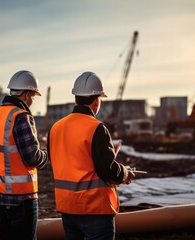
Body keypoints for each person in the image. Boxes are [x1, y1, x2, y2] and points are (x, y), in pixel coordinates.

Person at [48, 71, 135, 240]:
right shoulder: (96, 128)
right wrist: (124, 173)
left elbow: (58, 162)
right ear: (97, 100)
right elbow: (108, 170)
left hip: (67, 207)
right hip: (94, 209)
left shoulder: (56, 128)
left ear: (76, 99)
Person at [0, 70, 48, 240]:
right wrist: (47, 155)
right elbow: (32, 157)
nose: (31, 101)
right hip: (21, 199)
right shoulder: (21, 116)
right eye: (32, 96)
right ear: (25, 94)